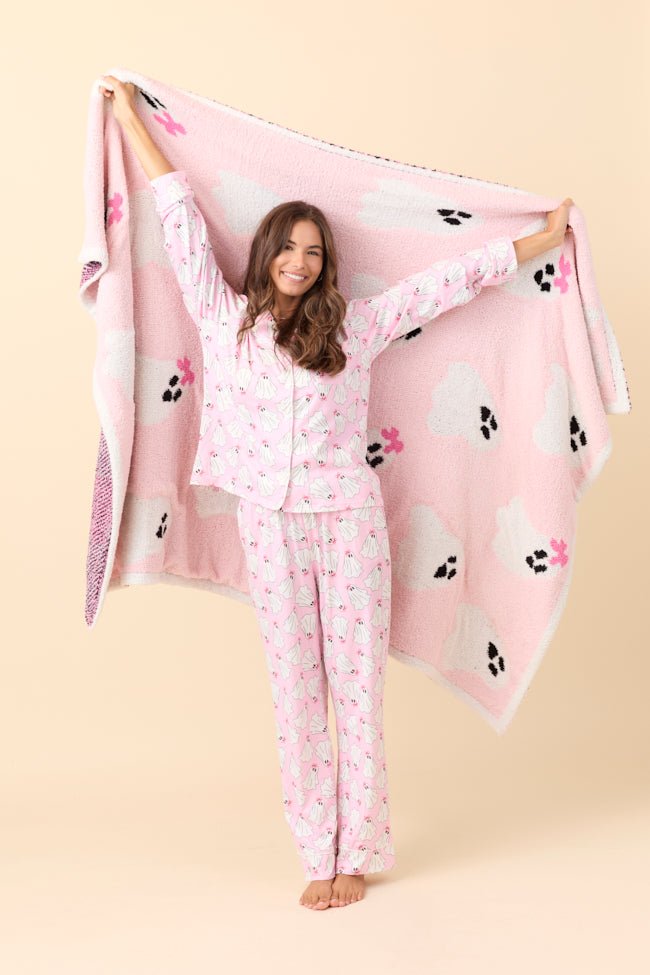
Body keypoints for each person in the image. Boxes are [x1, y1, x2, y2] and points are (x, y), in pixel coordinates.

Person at [98, 75, 573, 911]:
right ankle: (317, 850)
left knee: (356, 689)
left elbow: (448, 283)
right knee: (295, 692)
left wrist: (540, 240)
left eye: (314, 252)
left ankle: (360, 849)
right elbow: (177, 213)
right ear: (265, 253)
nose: (300, 260)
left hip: (349, 522)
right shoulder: (226, 321)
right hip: (268, 523)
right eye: (288, 247)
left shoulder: (354, 327)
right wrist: (131, 118)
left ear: (326, 264)